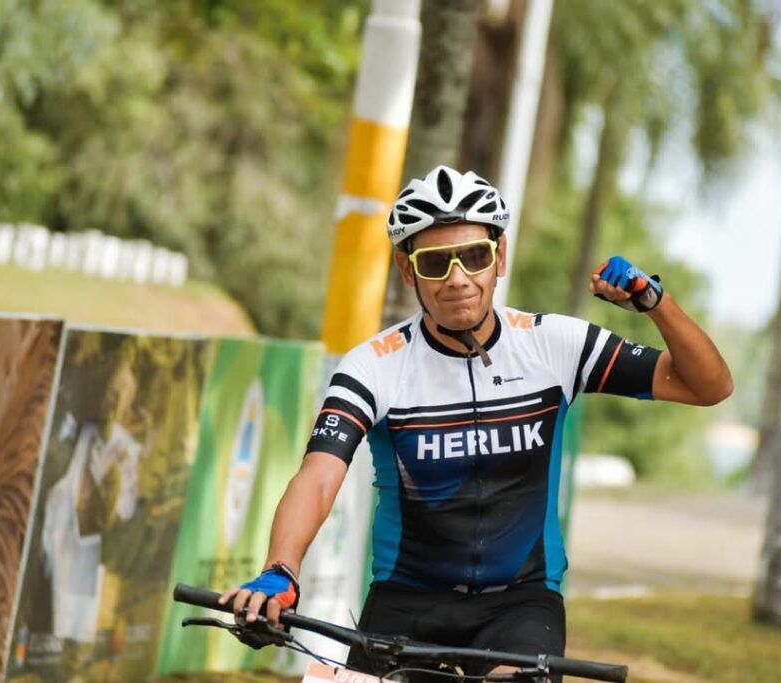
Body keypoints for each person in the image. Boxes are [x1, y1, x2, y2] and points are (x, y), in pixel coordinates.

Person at [221, 165, 732, 677]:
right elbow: (318, 477)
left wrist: (653, 302)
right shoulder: (373, 366)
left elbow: (708, 386)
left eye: (474, 256)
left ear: (499, 256)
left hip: (520, 605)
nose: (457, 278)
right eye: (435, 263)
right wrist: (281, 568)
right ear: (407, 270)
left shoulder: (553, 344)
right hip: (406, 603)